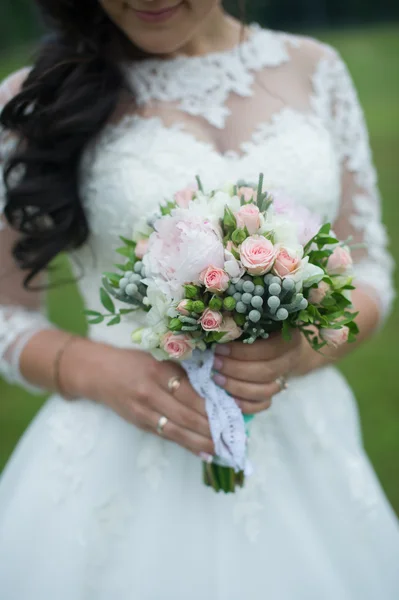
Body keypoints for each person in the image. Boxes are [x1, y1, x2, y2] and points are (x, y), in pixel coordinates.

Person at [0, 1, 398, 598]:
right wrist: (101, 370)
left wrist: (300, 354)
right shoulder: (39, 96)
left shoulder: (316, 68)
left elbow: (368, 269)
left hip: (303, 440)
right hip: (118, 451)